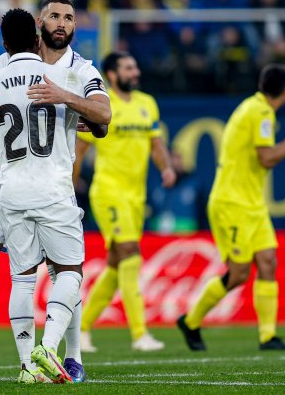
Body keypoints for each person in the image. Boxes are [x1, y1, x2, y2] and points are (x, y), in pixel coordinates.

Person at [0, 0, 111, 384]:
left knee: (50, 272)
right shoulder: (11, 62)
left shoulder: (82, 70)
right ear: (40, 23)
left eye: (69, 18)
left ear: (75, 26)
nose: (62, 23)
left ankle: (70, 357)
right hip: (9, 175)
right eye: (55, 16)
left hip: (42, 179)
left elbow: (104, 117)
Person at [177, 64, 285, 351]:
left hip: (251, 203)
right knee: (239, 273)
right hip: (232, 204)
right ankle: (191, 321)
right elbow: (266, 158)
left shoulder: (253, 107)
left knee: (268, 261)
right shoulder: (261, 112)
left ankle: (268, 336)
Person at [74, 51, 176, 353]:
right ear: (113, 75)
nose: (136, 72)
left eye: (135, 66)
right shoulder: (103, 106)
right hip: (109, 192)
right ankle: (140, 334)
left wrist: (166, 167)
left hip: (135, 196)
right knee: (131, 255)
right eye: (129, 68)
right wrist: (69, 185)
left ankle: (81, 329)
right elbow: (80, 150)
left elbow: (156, 143)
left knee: (117, 264)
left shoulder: (147, 103)